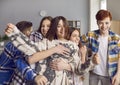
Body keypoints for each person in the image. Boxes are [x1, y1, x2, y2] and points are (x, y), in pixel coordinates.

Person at [5, 16, 79, 85]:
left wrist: (66, 66)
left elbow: (79, 67)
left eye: (48, 26)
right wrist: (15, 33)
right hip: (36, 80)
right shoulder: (43, 41)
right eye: (59, 26)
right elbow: (30, 53)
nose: (45, 28)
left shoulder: (72, 45)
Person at [80, 9, 120, 85]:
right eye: (101, 23)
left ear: (110, 23)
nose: (104, 26)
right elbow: (78, 41)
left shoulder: (117, 38)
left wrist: (118, 75)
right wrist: (84, 56)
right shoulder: (91, 35)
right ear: (97, 23)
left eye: (106, 23)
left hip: (110, 74)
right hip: (94, 72)